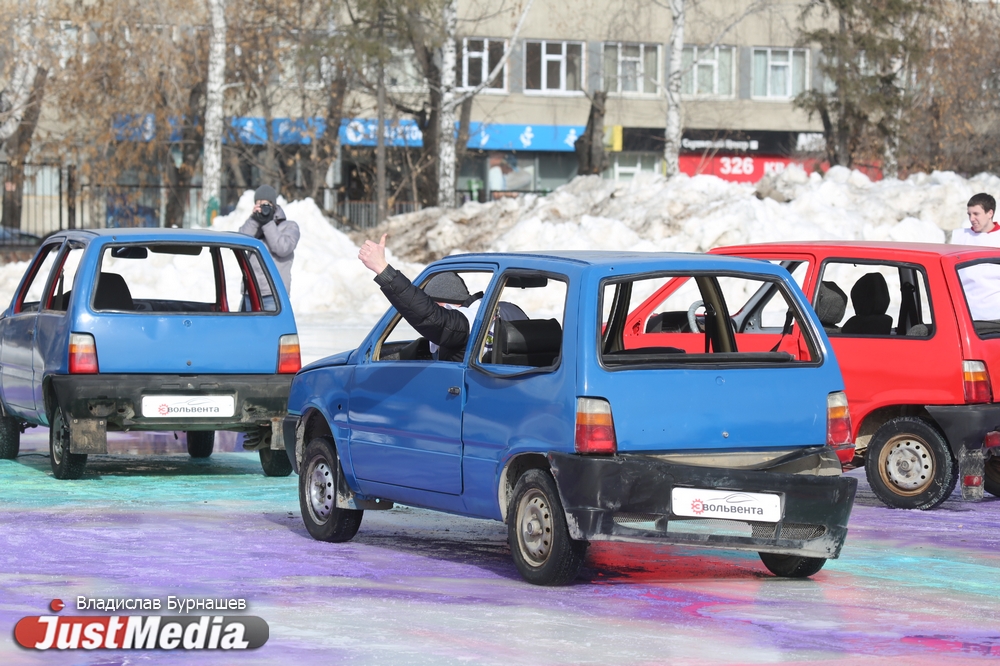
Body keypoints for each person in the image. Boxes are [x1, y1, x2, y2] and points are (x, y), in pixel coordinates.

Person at [359, 234, 476, 361]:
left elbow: (428, 316)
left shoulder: (466, 325)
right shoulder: (479, 318)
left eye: (434, 305)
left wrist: (382, 269)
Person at [239, 185, 301, 304]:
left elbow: (282, 248)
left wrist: (268, 223)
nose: (262, 208)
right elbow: (241, 241)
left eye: (265, 204)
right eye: (259, 204)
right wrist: (254, 220)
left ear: (274, 205)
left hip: (274, 294)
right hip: (250, 292)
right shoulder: (255, 226)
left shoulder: (289, 226)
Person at [953, 193, 1000, 321]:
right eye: (969, 214)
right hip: (966, 314)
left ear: (990, 213)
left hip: (996, 315)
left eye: (976, 214)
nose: (972, 218)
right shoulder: (960, 237)